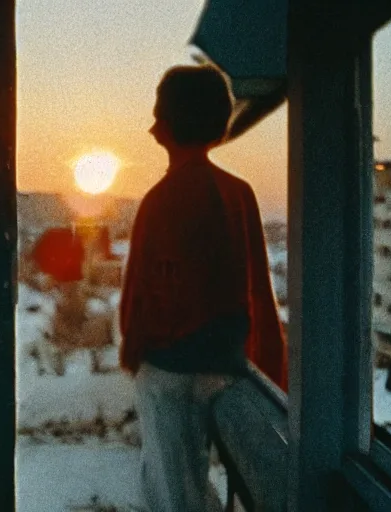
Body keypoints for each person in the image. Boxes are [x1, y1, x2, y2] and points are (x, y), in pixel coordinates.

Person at [119, 65, 287, 511]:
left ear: (165, 126)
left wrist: (134, 357)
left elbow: (137, 298)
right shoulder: (239, 193)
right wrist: (274, 372)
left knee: (170, 490)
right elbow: (259, 294)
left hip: (168, 373)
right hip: (228, 369)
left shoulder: (159, 200)